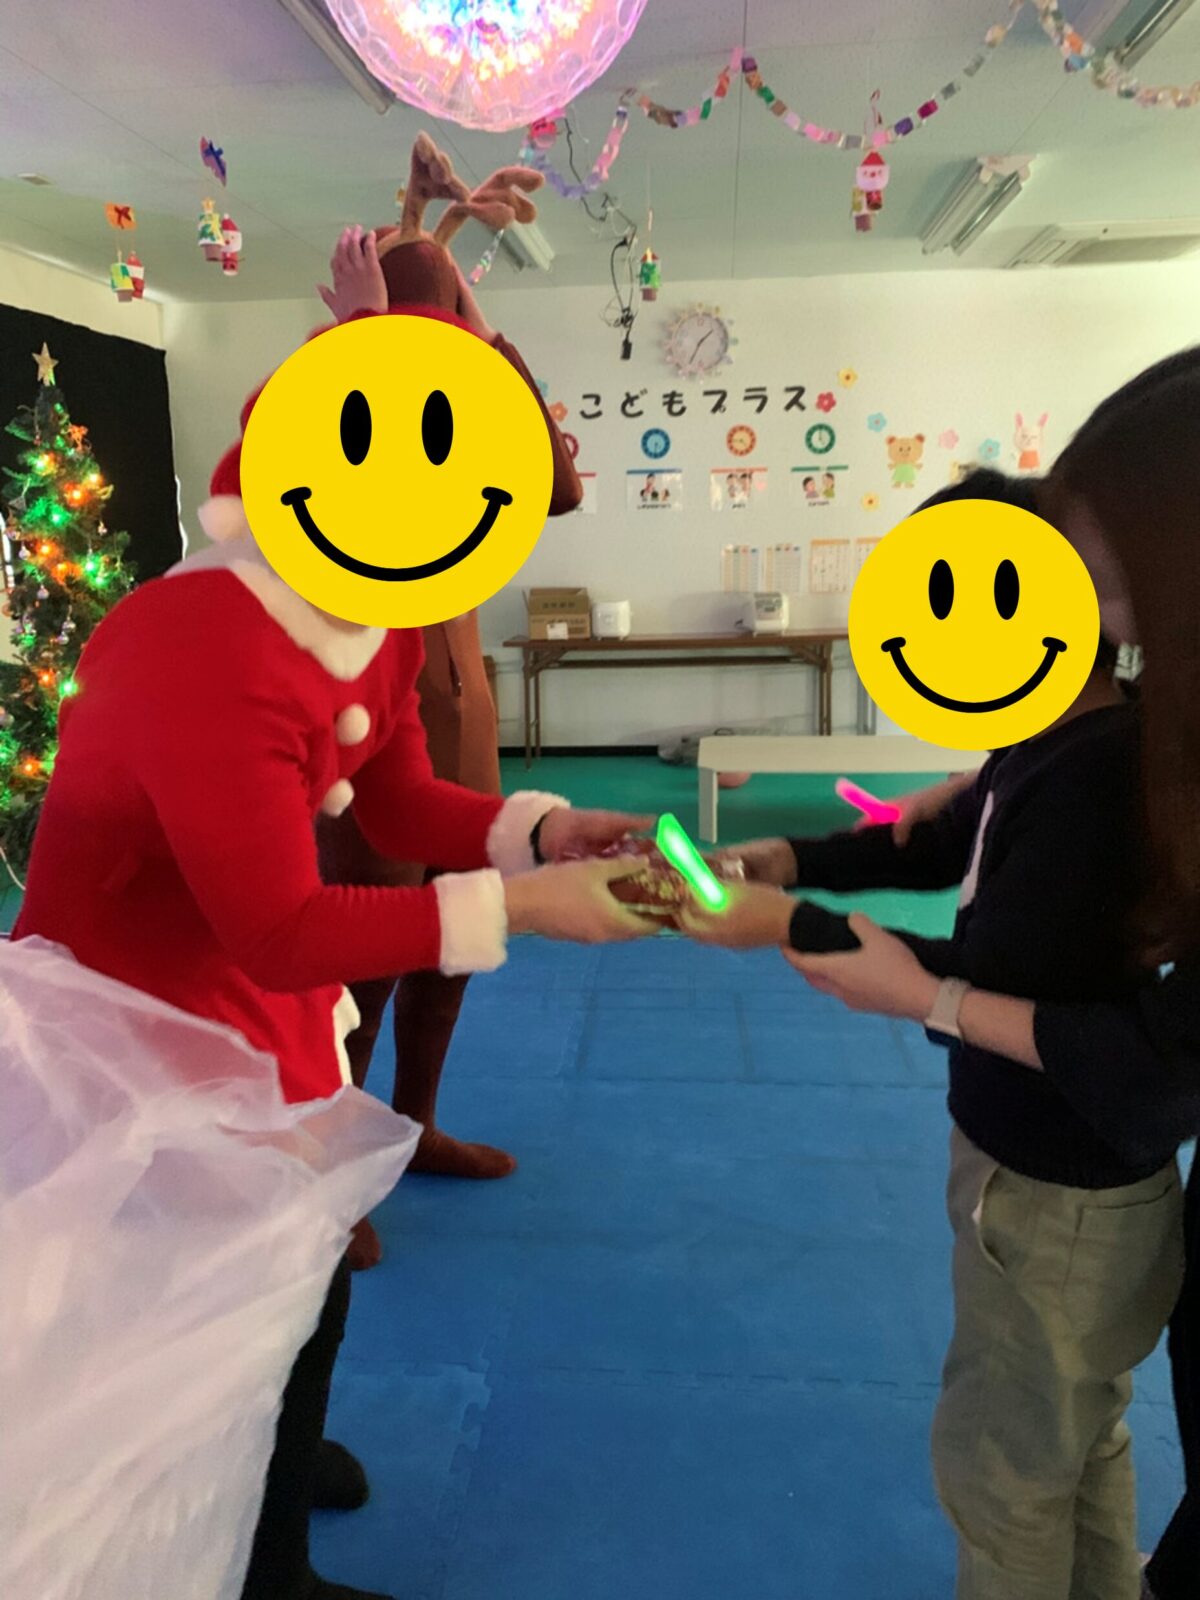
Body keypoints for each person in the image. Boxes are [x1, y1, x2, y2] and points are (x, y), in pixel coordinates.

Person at [11, 303, 654, 1600]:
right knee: (200, 1286)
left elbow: (400, 799)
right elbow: (284, 928)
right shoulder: (203, 643)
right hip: (133, 1021)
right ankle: (266, 1559)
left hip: (237, 989)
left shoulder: (381, 602)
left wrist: (538, 828)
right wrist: (525, 908)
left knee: (301, 1257)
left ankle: (275, 1453)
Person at [684, 459, 1193, 1599]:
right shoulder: (1056, 734)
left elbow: (1010, 978)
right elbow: (946, 836)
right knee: (1079, 1436)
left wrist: (793, 926)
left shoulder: (1096, 780)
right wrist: (793, 859)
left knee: (1004, 1473)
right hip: (1089, 1183)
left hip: (1052, 1198)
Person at [312, 223, 583, 1279]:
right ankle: (330, 1176)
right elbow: (356, 471)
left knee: (459, 936)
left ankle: (415, 1124)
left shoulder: (466, 423)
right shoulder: (348, 406)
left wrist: (483, 319)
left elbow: (557, 482)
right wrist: (364, 337)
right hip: (372, 734)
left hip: (464, 724)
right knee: (363, 964)